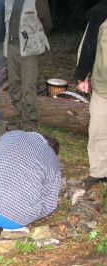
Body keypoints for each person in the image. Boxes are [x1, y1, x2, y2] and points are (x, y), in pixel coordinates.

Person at [4, 0, 53, 131]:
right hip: (11, 48)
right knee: (14, 85)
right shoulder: (8, 1)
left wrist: (36, 39)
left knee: (28, 87)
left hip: (29, 50)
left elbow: (47, 23)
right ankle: (20, 119)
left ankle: (30, 123)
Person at [74, 1, 107, 189]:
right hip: (102, 87)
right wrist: (82, 76)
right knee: (98, 131)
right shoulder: (100, 12)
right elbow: (87, 45)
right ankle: (99, 171)